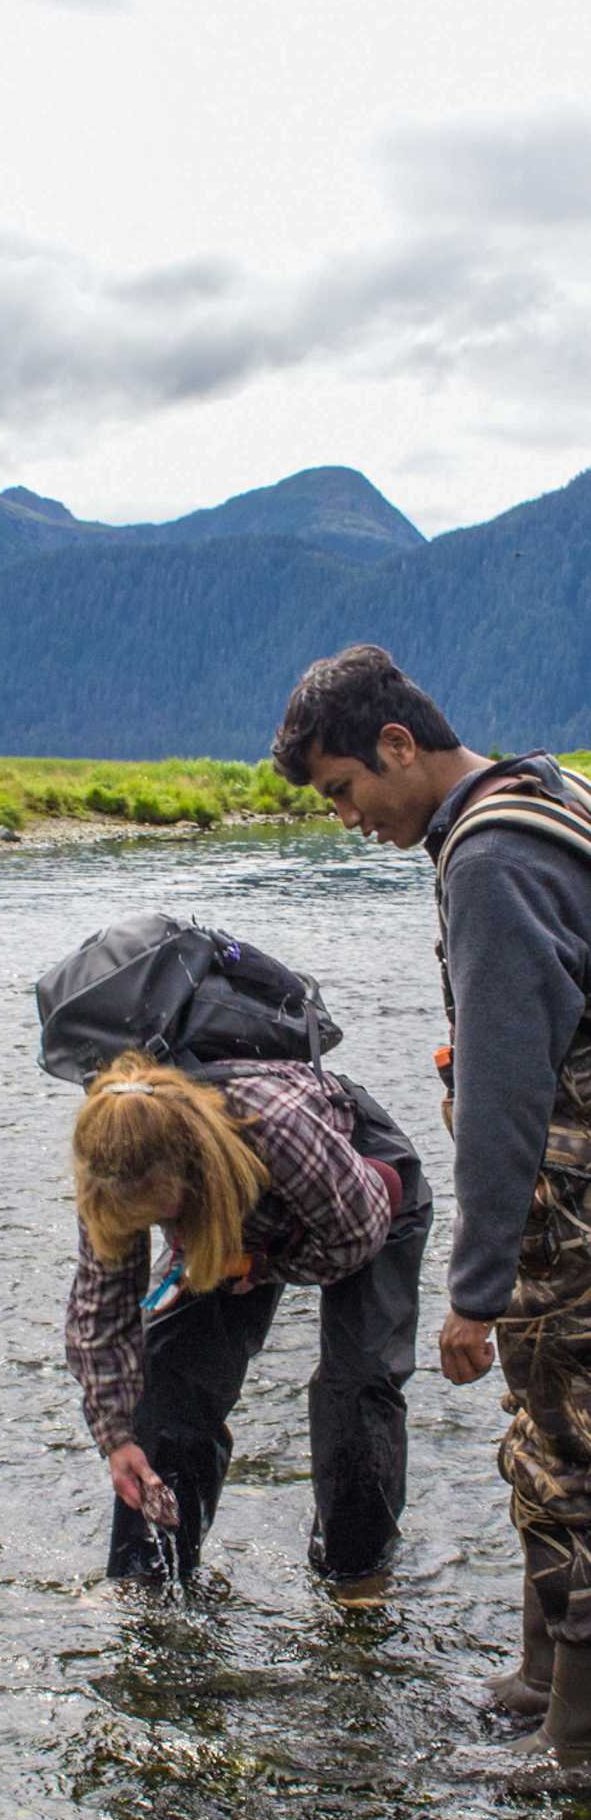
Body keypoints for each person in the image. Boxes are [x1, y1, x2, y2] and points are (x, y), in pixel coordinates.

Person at [273, 640, 591, 1763]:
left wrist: (473, 1291)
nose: (344, 815)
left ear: (396, 745)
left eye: (343, 788)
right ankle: (539, 1676)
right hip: (567, 1214)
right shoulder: (541, 790)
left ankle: (574, 1744)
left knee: (570, 1460)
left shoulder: (491, 861)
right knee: (545, 1444)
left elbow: (509, 1088)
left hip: (571, 1223)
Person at [66, 1046, 432, 1587]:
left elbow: (354, 1240)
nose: (152, 1231)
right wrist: (116, 1438)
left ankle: (356, 1576)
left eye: (158, 1218)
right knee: (168, 1378)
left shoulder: (272, 1127)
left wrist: (255, 1265)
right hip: (227, 1220)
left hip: (364, 1195)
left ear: (184, 1172)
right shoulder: (111, 1169)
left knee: (356, 1386)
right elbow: (101, 1313)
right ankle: (150, 1580)